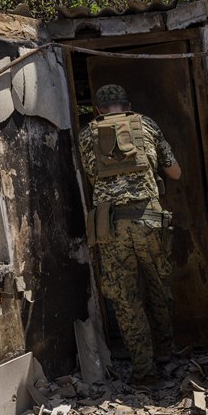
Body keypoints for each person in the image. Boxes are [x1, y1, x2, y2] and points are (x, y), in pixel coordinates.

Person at [78, 84, 182, 384]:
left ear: (98, 110)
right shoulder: (147, 124)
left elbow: (91, 177)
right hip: (149, 222)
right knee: (158, 286)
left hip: (111, 227)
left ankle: (144, 370)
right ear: (128, 104)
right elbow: (175, 173)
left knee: (125, 299)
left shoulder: (87, 135)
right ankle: (164, 351)